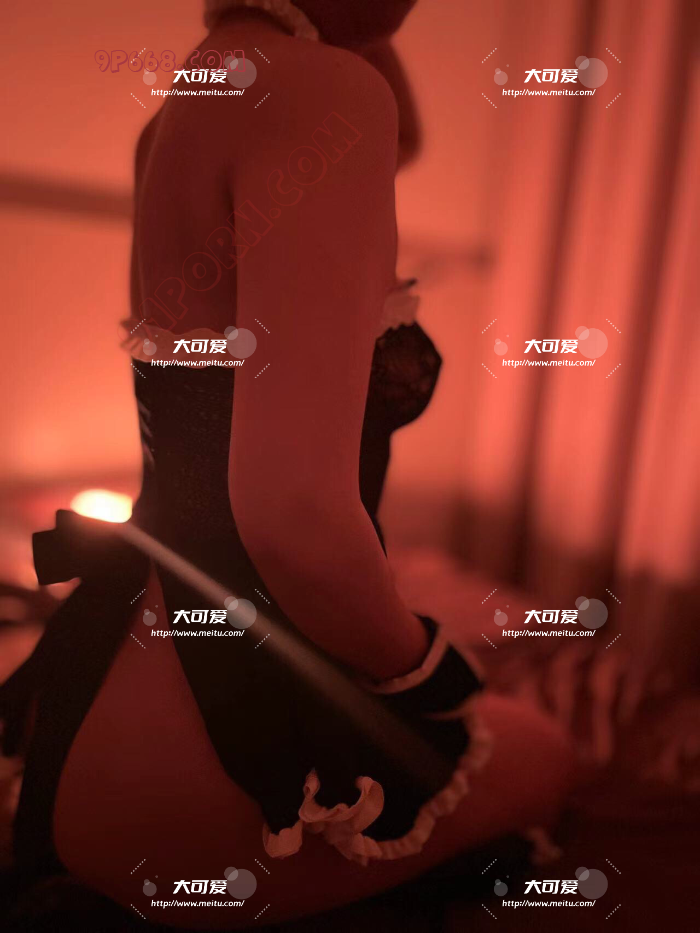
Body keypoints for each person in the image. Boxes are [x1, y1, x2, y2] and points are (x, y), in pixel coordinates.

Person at [0, 1, 574, 927]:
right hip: (206, 762)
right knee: (543, 748)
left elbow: (405, 133)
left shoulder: (196, 100)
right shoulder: (318, 95)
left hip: (105, 722)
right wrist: (425, 669)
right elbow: (293, 516)